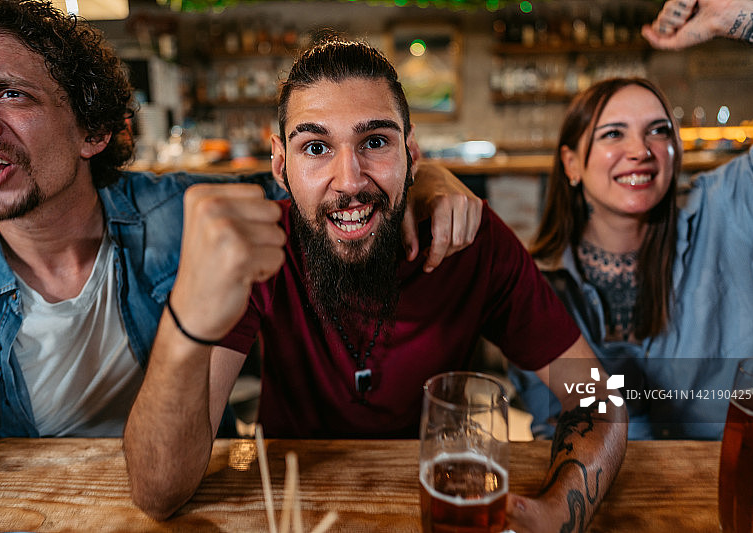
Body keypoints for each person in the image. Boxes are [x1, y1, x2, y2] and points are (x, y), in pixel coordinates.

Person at [123, 39, 627, 530]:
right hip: (288, 507)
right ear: (280, 164)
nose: (349, 180)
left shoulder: (472, 242)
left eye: (376, 142)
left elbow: (598, 401)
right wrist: (184, 316)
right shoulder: (258, 251)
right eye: (316, 147)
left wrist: (560, 514)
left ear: (412, 153)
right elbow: (158, 492)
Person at [0, 0, 481, 441]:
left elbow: (318, 188)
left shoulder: (185, 212)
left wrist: (424, 175)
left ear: (95, 131)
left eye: (11, 93)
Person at [510, 0, 753, 441]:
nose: (641, 150)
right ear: (572, 165)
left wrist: (739, 17)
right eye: (613, 133)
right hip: (608, 501)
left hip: (740, 483)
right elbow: (554, 438)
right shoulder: (532, 289)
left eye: (659, 130)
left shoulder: (727, 206)